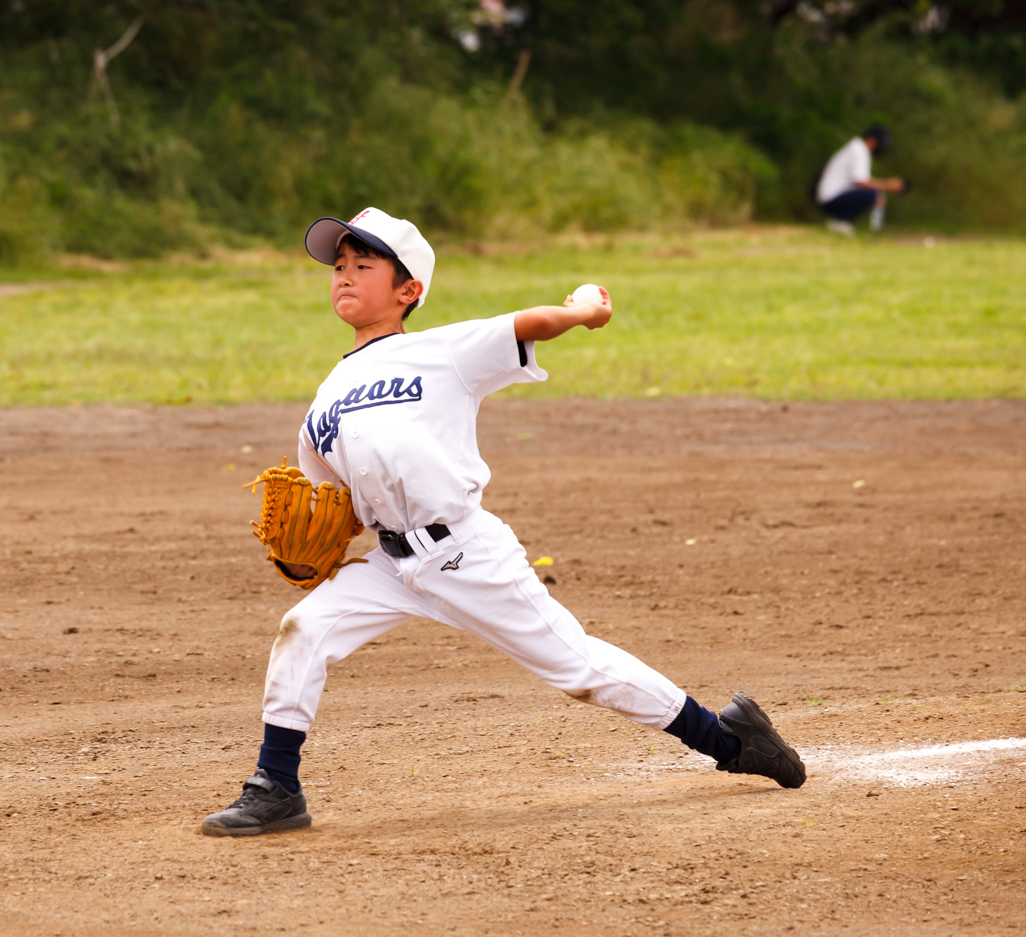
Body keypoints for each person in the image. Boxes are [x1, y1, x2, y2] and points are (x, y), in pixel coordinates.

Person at [200, 207, 806, 837]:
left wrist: (580, 310)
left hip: (465, 552)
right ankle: (277, 787)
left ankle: (732, 740)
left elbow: (528, 323)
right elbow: (332, 503)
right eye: (339, 266)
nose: (345, 275)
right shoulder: (328, 394)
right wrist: (307, 556)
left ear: (409, 292)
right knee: (304, 628)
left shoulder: (441, 351)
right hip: (389, 563)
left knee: (580, 671)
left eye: (364, 264)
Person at [815, 124, 906, 235]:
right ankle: (840, 221)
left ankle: (841, 221)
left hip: (831, 195)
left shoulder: (858, 148)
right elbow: (861, 182)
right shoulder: (858, 150)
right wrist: (888, 185)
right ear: (872, 140)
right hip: (830, 197)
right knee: (872, 193)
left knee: (875, 192)